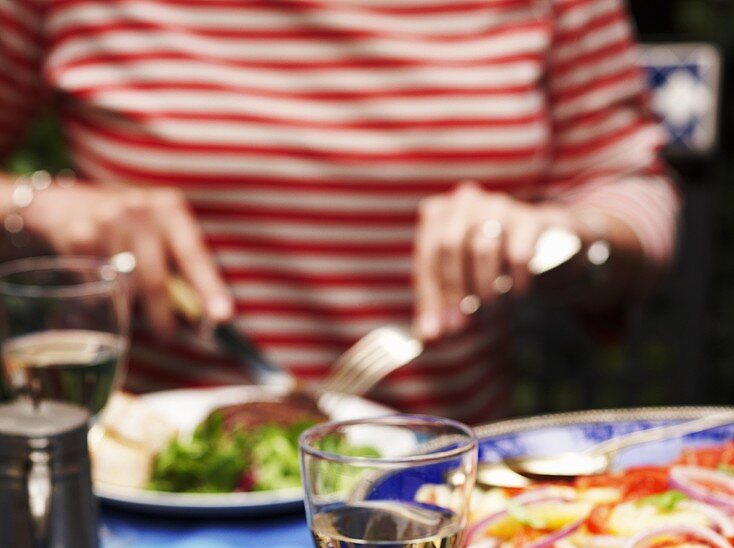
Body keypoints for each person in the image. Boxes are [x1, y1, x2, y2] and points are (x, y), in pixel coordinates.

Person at [0, 0, 678, 423]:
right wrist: (40, 207)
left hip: (434, 513)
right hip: (140, 515)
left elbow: (629, 184)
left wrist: (567, 240)